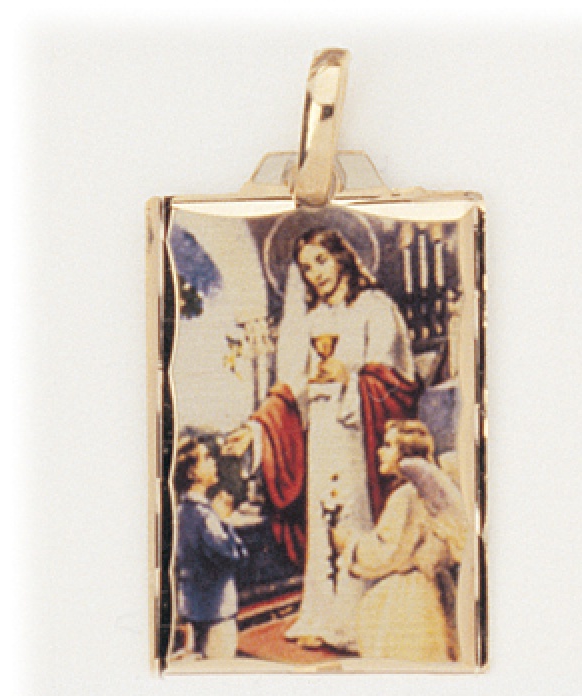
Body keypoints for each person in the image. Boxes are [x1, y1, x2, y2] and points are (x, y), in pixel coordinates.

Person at [223, 227, 420, 652]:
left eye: (321, 261)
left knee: (352, 516)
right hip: (322, 435)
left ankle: (356, 616)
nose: (315, 274)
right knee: (322, 521)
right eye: (306, 267)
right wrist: (255, 429)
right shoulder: (314, 321)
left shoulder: (375, 307)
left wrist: (350, 377)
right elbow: (294, 388)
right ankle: (323, 613)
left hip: (358, 433)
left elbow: (394, 381)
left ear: (342, 258)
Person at [349, 420, 466, 662]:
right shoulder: (417, 492)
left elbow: (390, 554)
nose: (380, 451)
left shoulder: (406, 497)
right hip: (432, 585)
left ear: (406, 455)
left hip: (412, 593)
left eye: (388, 445)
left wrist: (350, 546)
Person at [172, 437, 248, 660]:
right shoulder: (207, 517)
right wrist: (225, 521)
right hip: (217, 614)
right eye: (206, 458)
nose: (214, 462)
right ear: (191, 473)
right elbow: (235, 556)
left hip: (191, 611)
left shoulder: (181, 512)